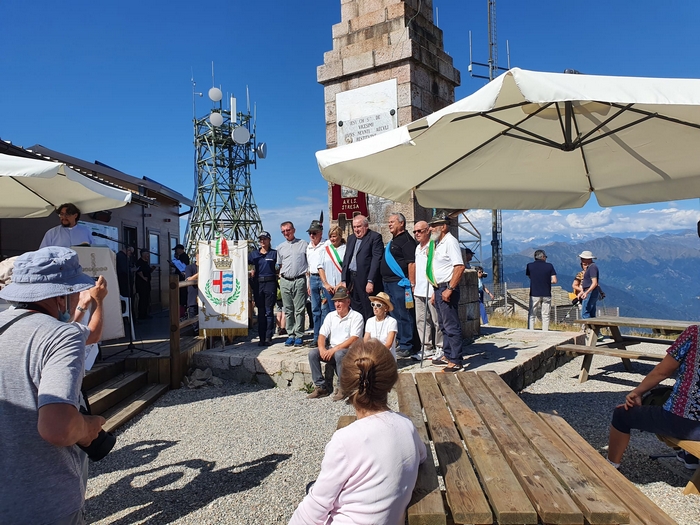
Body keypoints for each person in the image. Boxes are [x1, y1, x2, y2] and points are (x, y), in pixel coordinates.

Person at [0, 246, 106, 524]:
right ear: (61, 297)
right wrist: (87, 428)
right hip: (43, 502)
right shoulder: (62, 335)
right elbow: (58, 428)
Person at [289, 339, 426, 525]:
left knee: (313, 490)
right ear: (390, 382)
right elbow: (422, 456)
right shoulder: (406, 425)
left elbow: (314, 510)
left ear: (345, 383)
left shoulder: (345, 440)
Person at [607, 324, 700, 470]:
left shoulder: (695, 333)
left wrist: (637, 392)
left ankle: (610, 466)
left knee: (622, 414)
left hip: (686, 422)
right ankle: (690, 457)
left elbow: (662, 372)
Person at [307, 286, 364, 401]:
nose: (337, 304)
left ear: (348, 302)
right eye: (336, 301)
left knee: (339, 354)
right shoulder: (331, 316)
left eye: (340, 301)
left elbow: (354, 338)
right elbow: (322, 335)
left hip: (351, 351)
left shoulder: (356, 316)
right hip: (333, 349)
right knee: (312, 354)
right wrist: (322, 349)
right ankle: (321, 386)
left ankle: (343, 387)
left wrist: (333, 349)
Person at [428, 211, 466, 372]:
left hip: (446, 287)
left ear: (443, 227)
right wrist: (435, 291)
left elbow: (459, 266)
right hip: (439, 287)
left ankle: (456, 360)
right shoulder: (438, 243)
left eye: (434, 225)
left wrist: (450, 288)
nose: (431, 229)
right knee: (443, 325)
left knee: (451, 325)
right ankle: (448, 354)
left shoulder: (450, 242)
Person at [380, 212, 418, 358]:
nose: (389, 224)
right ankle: (400, 341)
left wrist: (411, 283)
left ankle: (407, 345)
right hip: (388, 283)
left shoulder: (407, 241)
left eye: (392, 222)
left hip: (400, 283)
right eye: (389, 222)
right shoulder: (394, 241)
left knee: (404, 314)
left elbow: (411, 263)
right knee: (394, 314)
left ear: (401, 223)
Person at [340, 214, 384, 320]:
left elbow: (376, 260)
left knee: (367, 309)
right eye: (354, 227)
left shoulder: (375, 237)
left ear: (366, 226)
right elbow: (346, 259)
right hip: (351, 280)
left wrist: (370, 280)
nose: (356, 230)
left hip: (365, 279)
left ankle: (368, 330)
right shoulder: (351, 238)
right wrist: (344, 280)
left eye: (359, 226)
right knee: (355, 309)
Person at [412, 220, 443, 361]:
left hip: (431, 289)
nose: (417, 234)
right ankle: (426, 347)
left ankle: (441, 347)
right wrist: (414, 285)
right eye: (415, 231)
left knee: (437, 320)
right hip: (419, 290)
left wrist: (435, 290)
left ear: (427, 231)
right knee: (421, 321)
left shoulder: (433, 246)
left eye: (419, 231)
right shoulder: (417, 248)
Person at [277, 221, 309, 347]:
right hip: (285, 281)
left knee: (300, 309)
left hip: (299, 279)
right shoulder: (280, 247)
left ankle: (299, 334)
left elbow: (309, 262)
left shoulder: (303, 244)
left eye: (288, 230)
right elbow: (280, 265)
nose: (286, 233)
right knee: (288, 309)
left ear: (294, 230)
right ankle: (291, 334)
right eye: (283, 231)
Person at [249, 231, 277, 346]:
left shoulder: (274, 254)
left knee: (269, 311)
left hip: (270, 283)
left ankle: (268, 337)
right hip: (258, 284)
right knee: (261, 312)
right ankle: (261, 338)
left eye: (264, 239)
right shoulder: (254, 254)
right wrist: (251, 271)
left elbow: (280, 266)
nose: (262, 241)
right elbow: (243, 263)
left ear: (269, 240)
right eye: (260, 239)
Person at [306, 219, 330, 346]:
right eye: (310, 233)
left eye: (314, 233)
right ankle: (316, 337)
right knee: (315, 309)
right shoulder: (308, 247)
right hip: (313, 278)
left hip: (324, 277)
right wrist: (308, 284)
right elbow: (309, 266)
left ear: (320, 233)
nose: (312, 235)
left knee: (325, 308)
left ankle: (324, 337)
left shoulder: (326, 244)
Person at [526, 249, 558, 331]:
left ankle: (530, 331)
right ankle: (545, 332)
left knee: (532, 314)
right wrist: (547, 281)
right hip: (546, 293)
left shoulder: (529, 266)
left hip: (534, 293)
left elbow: (530, 276)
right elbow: (554, 280)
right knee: (545, 315)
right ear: (543, 257)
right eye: (546, 257)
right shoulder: (549, 266)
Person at [318, 225, 346, 310]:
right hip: (329, 288)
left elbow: (348, 268)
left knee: (343, 310)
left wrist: (341, 283)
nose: (332, 239)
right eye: (330, 237)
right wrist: (326, 284)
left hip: (342, 286)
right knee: (332, 311)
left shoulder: (346, 249)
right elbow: (320, 268)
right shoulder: (325, 250)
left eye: (334, 236)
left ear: (340, 236)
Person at [364, 292, 398, 359]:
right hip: (372, 355)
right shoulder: (370, 321)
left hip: (386, 356)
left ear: (385, 308)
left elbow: (389, 344)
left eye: (378, 305)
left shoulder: (392, 321)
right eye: (373, 304)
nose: (375, 307)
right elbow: (366, 341)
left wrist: (376, 355)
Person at [577, 250, 600, 319]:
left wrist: (586, 292)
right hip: (590, 291)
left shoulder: (592, 268)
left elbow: (594, 283)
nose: (581, 260)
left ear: (588, 259)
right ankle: (593, 326)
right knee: (591, 313)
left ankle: (588, 325)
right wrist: (582, 291)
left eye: (583, 258)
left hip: (590, 292)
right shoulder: (590, 267)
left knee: (585, 313)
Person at [135, 249, 155, 320]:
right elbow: (138, 271)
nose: (148, 255)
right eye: (147, 254)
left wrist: (152, 269)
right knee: (142, 299)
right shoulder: (139, 262)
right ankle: (141, 315)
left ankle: (145, 313)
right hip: (142, 284)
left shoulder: (146, 262)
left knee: (146, 298)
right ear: (143, 254)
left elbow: (148, 271)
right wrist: (144, 278)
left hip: (147, 283)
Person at [185, 251, 199, 319]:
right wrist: (199, 273)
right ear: (196, 257)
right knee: (193, 318)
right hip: (193, 298)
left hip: (206, 299)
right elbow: (189, 280)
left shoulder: (208, 268)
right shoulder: (189, 267)